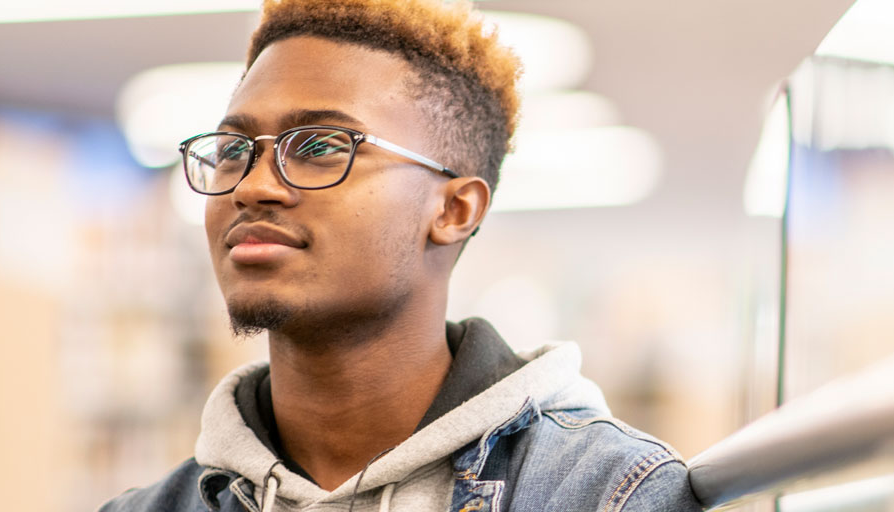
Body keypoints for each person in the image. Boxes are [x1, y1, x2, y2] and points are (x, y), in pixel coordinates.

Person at [100, 0, 701, 510]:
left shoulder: (605, 493)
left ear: (454, 210)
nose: (253, 185)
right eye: (235, 149)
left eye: (320, 146)